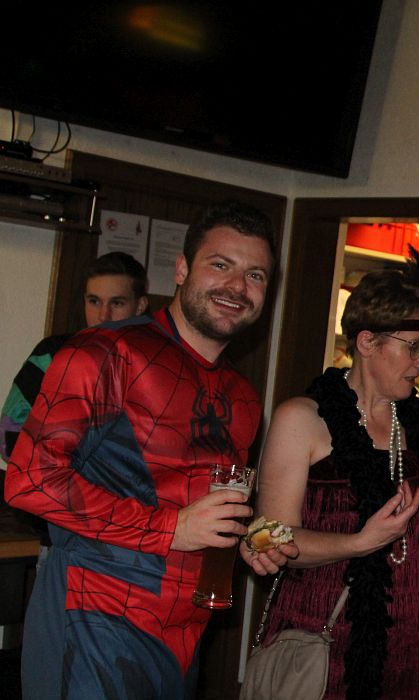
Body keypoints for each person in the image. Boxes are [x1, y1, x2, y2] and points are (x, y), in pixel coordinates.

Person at [4, 201, 276, 699]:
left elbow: (193, 503)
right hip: (95, 618)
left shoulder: (243, 397)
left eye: (255, 275)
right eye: (221, 264)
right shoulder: (104, 351)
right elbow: (29, 480)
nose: (237, 286)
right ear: (181, 269)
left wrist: (248, 537)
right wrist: (173, 528)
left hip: (185, 637)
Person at [242, 266, 419, 700]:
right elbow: (268, 538)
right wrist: (359, 543)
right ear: (367, 342)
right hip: (324, 646)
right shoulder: (302, 420)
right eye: (415, 347)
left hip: (417, 652)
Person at [1, 251, 149, 462]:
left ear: (140, 306)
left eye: (117, 303)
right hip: (50, 477)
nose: (103, 315)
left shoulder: (153, 366)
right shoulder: (52, 353)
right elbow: (8, 436)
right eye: (94, 301)